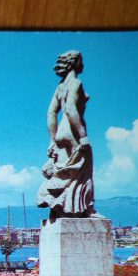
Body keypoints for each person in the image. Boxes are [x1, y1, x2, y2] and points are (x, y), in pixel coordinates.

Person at [36, 50, 100, 221]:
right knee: (83, 172)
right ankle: (89, 210)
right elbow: (71, 109)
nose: (83, 64)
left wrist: (52, 139)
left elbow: (51, 114)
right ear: (75, 63)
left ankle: (58, 209)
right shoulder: (75, 83)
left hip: (60, 133)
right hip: (73, 131)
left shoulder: (60, 87)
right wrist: (83, 135)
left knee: (64, 172)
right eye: (81, 60)